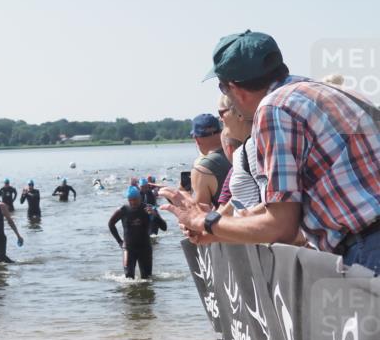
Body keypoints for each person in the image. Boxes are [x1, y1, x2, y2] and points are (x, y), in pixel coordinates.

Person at [162, 30, 380, 274]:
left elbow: (281, 226)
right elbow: (282, 206)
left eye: (223, 88)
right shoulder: (325, 91)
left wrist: (204, 221)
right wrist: (219, 228)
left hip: (369, 247)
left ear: (236, 90)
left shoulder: (274, 109)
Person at [108, 186, 165, 279]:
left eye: (135, 199)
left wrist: (154, 215)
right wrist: (119, 242)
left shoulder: (148, 208)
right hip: (128, 248)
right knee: (129, 278)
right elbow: (111, 224)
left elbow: (164, 227)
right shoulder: (123, 210)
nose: (133, 202)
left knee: (147, 278)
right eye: (130, 200)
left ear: (140, 198)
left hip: (145, 248)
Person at [189, 114, 231, 207]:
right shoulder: (237, 152)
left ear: (196, 139)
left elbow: (201, 213)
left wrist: (182, 196)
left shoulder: (201, 169)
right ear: (221, 132)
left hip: (226, 220)